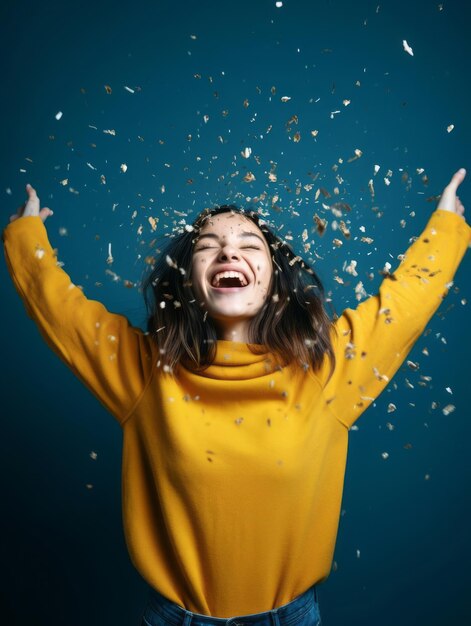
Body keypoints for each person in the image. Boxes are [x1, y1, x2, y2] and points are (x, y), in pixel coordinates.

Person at [3, 169, 469, 626]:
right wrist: (26, 236)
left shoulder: (326, 368)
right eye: (208, 245)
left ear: (275, 279)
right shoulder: (146, 371)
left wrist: (447, 225)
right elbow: (60, 309)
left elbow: (406, 301)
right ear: (186, 280)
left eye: (249, 245)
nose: (228, 250)